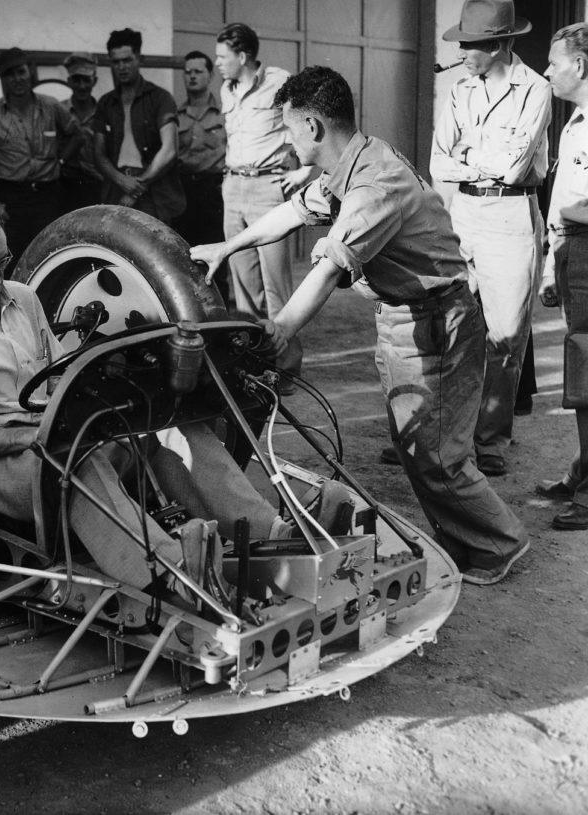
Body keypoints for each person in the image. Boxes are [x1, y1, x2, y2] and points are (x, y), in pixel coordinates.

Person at [191, 66, 529, 586]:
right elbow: (291, 214)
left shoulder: (374, 184)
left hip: (436, 321)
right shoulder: (348, 166)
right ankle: (466, 545)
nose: (285, 141)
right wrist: (228, 246)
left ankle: (499, 545)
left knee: (436, 454)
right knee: (419, 449)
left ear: (312, 127)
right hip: (405, 316)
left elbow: (327, 269)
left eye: (287, 129)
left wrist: (281, 328)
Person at [0, 190, 349, 595]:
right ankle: (175, 572)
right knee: (72, 459)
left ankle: (276, 535)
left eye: (2, 262)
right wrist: (38, 438)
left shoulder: (25, 299)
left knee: (166, 428)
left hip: (51, 436)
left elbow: (56, 378)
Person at [428, 0, 550, 477]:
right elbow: (440, 163)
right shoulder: (458, 91)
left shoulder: (535, 89)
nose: (464, 53)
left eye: (473, 45)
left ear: (501, 44)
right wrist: (481, 157)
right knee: (448, 330)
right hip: (466, 214)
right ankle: (438, 435)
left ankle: (490, 439)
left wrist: (469, 153)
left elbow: (514, 167)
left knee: (503, 337)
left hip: (511, 214)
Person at [214, 23, 315, 380]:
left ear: (243, 56)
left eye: (222, 57)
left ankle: (285, 368)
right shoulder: (227, 89)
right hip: (234, 187)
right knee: (242, 288)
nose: (217, 64)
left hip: (266, 189)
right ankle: (252, 365)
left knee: (276, 287)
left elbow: (310, 121)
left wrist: (306, 171)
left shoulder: (278, 81)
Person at [535, 23, 588, 531]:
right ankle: (583, 472)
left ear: (581, 66)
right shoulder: (576, 121)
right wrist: (556, 260)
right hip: (575, 249)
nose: (548, 70)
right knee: (581, 370)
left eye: (555, 62)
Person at [0, 47, 81, 271]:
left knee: (51, 257)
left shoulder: (51, 106)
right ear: (3, 79)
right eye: (10, 74)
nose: (17, 79)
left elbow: (77, 134)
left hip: (49, 197)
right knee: (12, 261)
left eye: (21, 71)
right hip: (12, 200)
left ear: (30, 72)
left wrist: (61, 161)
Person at [93, 28, 185, 225]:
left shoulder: (160, 98)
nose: (122, 67)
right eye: (116, 62)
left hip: (154, 191)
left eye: (127, 60)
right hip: (116, 190)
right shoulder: (105, 103)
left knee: (152, 250)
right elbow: (99, 155)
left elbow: (169, 150)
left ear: (139, 58)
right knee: (115, 249)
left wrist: (139, 185)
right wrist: (121, 180)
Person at [172, 51, 227, 270]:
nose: (192, 76)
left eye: (198, 71)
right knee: (184, 255)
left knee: (217, 255)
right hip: (183, 190)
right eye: (187, 72)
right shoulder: (176, 114)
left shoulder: (224, 113)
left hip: (214, 191)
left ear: (210, 75)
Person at [59, 52, 103, 213]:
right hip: (65, 189)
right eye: (77, 80)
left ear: (95, 81)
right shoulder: (59, 111)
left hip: (97, 188)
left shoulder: (105, 113)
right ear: (69, 81)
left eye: (87, 79)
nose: (82, 86)